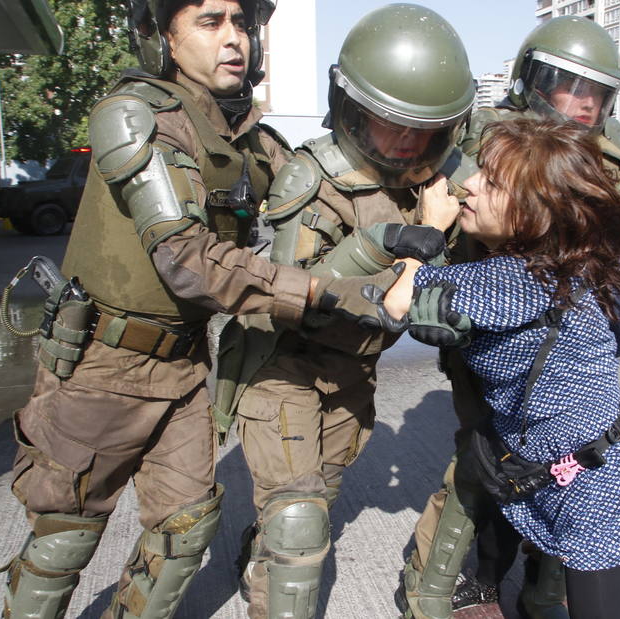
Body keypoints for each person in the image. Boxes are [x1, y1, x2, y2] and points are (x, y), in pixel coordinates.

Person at [0, 2, 402, 618]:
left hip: (185, 365)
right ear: (163, 37)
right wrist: (318, 293)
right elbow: (187, 260)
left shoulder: (252, 140)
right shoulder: (134, 116)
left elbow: (330, 182)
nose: (234, 39)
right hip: (102, 365)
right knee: (65, 536)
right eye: (210, 22)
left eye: (241, 23)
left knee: (183, 531)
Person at [399, 16, 620, 618]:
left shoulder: (606, 163)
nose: (576, 104)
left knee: (549, 478)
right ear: (531, 80)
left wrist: (575, 347)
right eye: (563, 85)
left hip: (539, 352)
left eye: (592, 93)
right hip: (477, 339)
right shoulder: (487, 145)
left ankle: (542, 597)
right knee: (488, 467)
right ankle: (475, 578)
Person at [230, 5, 476, 618]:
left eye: (423, 131)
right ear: (353, 109)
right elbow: (295, 300)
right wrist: (401, 243)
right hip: (282, 364)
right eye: (390, 124)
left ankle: (259, 555)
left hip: (351, 371)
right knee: (298, 524)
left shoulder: (437, 181)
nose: (407, 143)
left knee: (320, 496)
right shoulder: (312, 180)